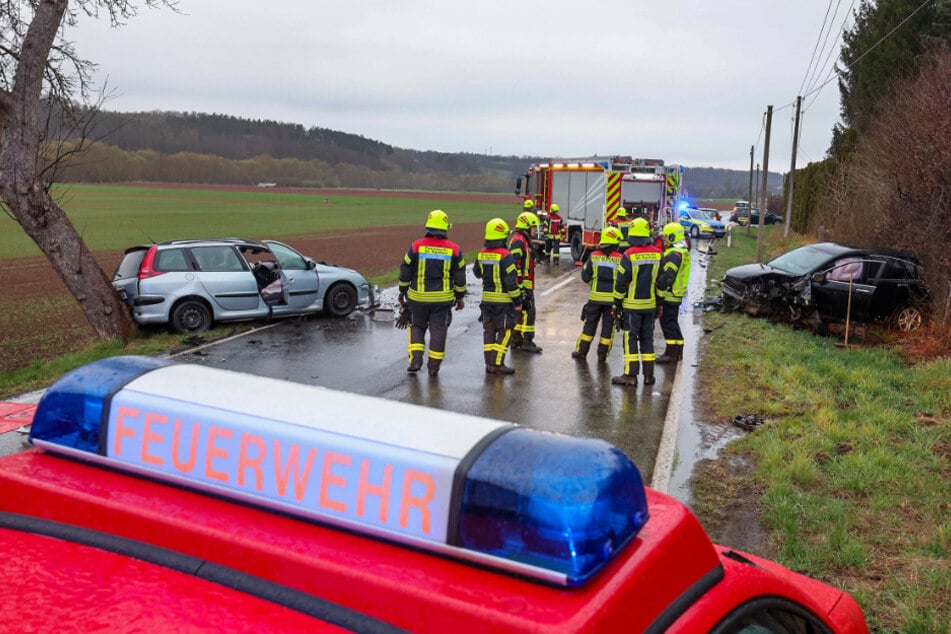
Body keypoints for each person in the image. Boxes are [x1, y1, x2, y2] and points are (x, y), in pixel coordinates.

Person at [398, 209, 467, 376]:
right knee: (438, 331)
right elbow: (460, 278)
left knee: (417, 327)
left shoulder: (416, 246)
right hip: (442, 301)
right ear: (445, 229)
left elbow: (405, 271)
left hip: (417, 299)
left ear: (427, 227)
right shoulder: (454, 250)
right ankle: (433, 368)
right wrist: (459, 298)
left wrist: (402, 291)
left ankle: (415, 360)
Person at [611, 218, 662, 386]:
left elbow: (621, 282)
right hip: (650, 305)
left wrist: (616, 303)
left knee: (630, 339)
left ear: (632, 235)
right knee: (647, 339)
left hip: (632, 307)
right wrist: (659, 303)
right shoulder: (658, 253)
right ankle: (649, 376)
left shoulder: (629, 254)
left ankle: (630, 375)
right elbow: (662, 282)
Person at [472, 218, 522, 375]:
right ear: (502, 237)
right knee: (505, 332)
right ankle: (498, 363)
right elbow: (511, 283)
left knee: (489, 332)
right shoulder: (506, 256)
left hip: (486, 301)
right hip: (504, 302)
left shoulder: (481, 253)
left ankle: (489, 364)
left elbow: (476, 273)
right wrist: (518, 300)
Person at [572, 227, 623, 363]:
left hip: (595, 299)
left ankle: (581, 352)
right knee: (608, 328)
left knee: (589, 326)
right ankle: (602, 356)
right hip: (612, 301)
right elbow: (624, 280)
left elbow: (585, 275)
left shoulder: (594, 256)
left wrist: (594, 285)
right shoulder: (620, 258)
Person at [655, 221, 691, 365]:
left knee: (667, 323)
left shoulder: (674, 254)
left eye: (665, 237)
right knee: (673, 322)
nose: (663, 239)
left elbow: (668, 277)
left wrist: (660, 294)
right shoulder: (683, 251)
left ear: (672, 237)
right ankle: (677, 351)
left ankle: (670, 353)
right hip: (677, 294)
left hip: (670, 294)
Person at [507, 210, 543, 353]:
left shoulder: (523, 241)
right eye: (534, 227)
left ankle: (517, 341)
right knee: (529, 313)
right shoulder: (519, 242)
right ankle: (526, 341)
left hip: (526, 284)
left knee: (522, 313)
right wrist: (520, 289)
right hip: (523, 285)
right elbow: (515, 266)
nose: (535, 230)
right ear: (527, 227)